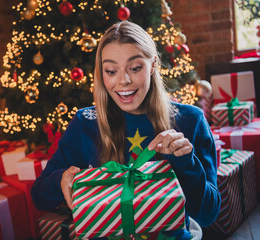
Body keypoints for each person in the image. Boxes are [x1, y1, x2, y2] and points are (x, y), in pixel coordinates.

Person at [31, 20, 220, 240]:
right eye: (111, 71)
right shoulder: (84, 123)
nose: (124, 81)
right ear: (101, 73)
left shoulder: (190, 120)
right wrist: (61, 179)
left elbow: (208, 214)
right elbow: (39, 196)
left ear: (153, 65)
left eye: (135, 68)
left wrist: (186, 162)